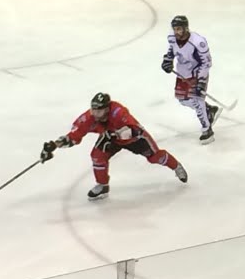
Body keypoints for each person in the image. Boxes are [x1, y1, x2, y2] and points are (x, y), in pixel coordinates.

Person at [40, 92, 188, 200]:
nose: (95, 113)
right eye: (93, 110)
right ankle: (102, 185)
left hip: (134, 138)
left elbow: (132, 131)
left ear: (107, 109)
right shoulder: (89, 117)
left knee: (155, 157)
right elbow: (73, 136)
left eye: (99, 110)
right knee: (97, 156)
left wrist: (113, 135)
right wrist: (54, 145)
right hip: (111, 138)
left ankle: (176, 166)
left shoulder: (118, 112)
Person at [161, 15, 219, 144]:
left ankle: (207, 130)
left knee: (197, 101)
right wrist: (167, 60)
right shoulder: (172, 38)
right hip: (182, 73)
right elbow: (171, 50)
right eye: (174, 29)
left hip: (197, 74)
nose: (176, 32)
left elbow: (206, 63)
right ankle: (209, 110)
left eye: (179, 29)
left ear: (186, 28)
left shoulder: (198, 42)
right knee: (182, 100)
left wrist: (201, 81)